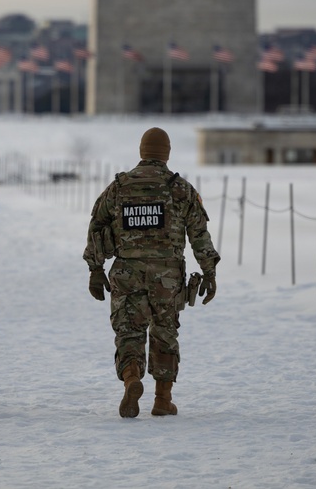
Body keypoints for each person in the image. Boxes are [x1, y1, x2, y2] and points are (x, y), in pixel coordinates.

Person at [84, 127, 219, 418]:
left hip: (126, 271)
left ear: (141, 151)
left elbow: (96, 227)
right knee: (165, 333)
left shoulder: (119, 186)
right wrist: (209, 271)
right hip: (167, 276)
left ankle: (132, 378)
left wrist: (95, 269)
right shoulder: (179, 188)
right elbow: (199, 233)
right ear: (167, 153)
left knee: (129, 331)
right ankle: (162, 399)